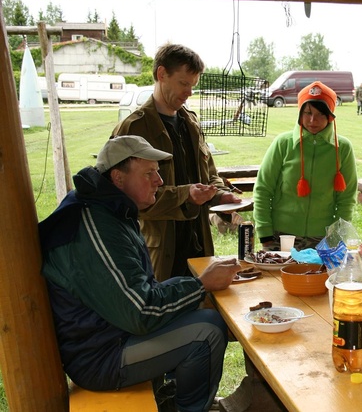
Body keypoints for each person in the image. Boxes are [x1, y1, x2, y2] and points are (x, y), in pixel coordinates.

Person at [38, 135, 242, 412]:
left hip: (109, 333)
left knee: (200, 307)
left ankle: (171, 396)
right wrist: (200, 285)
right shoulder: (95, 225)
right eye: (149, 173)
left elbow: (137, 294)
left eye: (157, 172)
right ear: (118, 178)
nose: (159, 180)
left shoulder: (108, 208)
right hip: (100, 356)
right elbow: (141, 313)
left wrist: (197, 288)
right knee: (207, 330)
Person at [113, 43, 241, 281]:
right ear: (162, 74)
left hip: (199, 246)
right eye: (183, 83)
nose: (189, 92)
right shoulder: (134, 128)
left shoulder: (191, 123)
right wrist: (186, 195)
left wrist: (220, 194)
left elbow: (209, 174)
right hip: (160, 255)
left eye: (193, 85)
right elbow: (126, 198)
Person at [253, 81, 358, 251]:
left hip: (324, 238)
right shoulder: (283, 143)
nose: (312, 120)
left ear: (330, 116)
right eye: (307, 113)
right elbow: (263, 190)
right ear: (299, 113)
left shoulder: (343, 148)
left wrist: (336, 237)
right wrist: (265, 234)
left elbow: (347, 199)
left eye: (320, 114)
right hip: (282, 236)